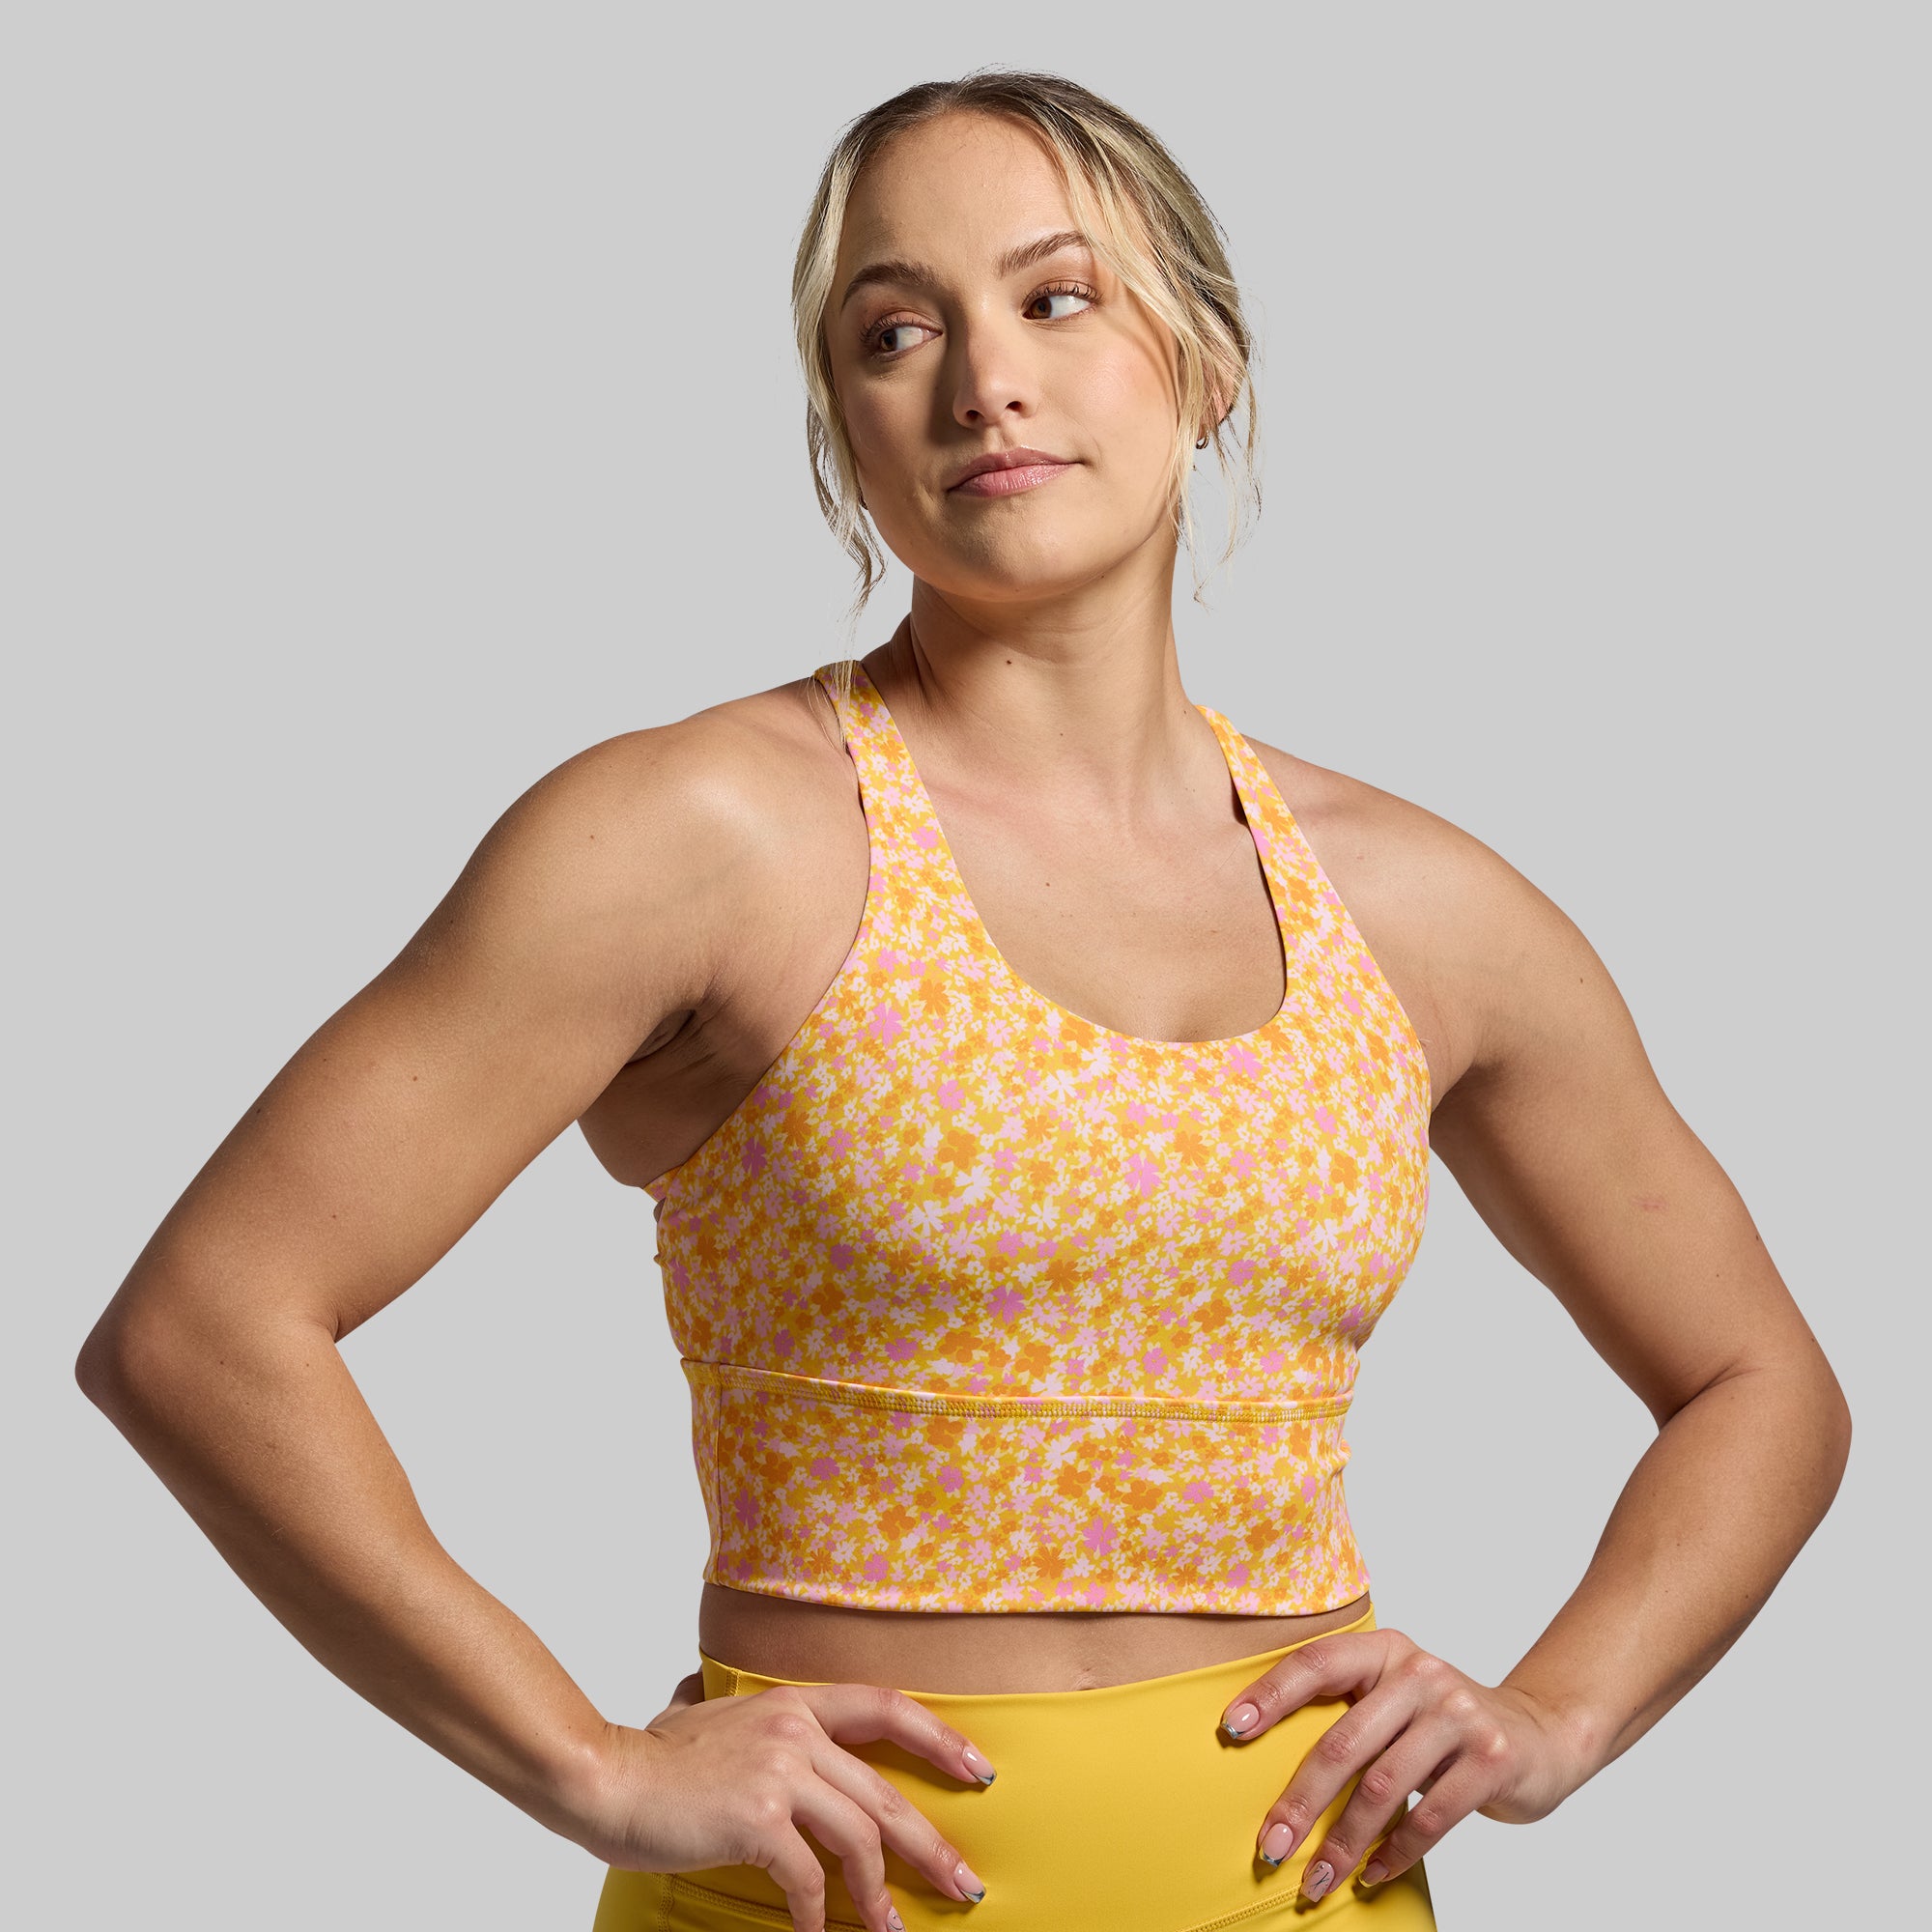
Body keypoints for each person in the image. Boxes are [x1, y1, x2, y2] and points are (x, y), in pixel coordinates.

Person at [75, 68, 1851, 1932]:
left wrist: (1554, 1719)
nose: (982, 379)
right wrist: (584, 1763)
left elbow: (1759, 1386)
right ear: (844, 430)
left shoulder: (1419, 906)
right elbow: (204, 1327)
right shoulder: (703, 836)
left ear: (1208, 362)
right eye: (894, 331)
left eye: (1056, 297)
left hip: (1312, 1900)